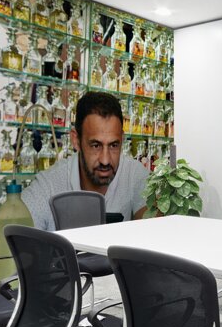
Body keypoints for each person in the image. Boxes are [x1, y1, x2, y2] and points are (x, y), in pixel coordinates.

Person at [22, 91, 148, 230]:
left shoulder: (134, 175)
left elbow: (153, 233)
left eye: (113, 145)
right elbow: (12, 237)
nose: (105, 160)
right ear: (76, 140)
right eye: (95, 145)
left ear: (122, 140)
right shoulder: (49, 185)